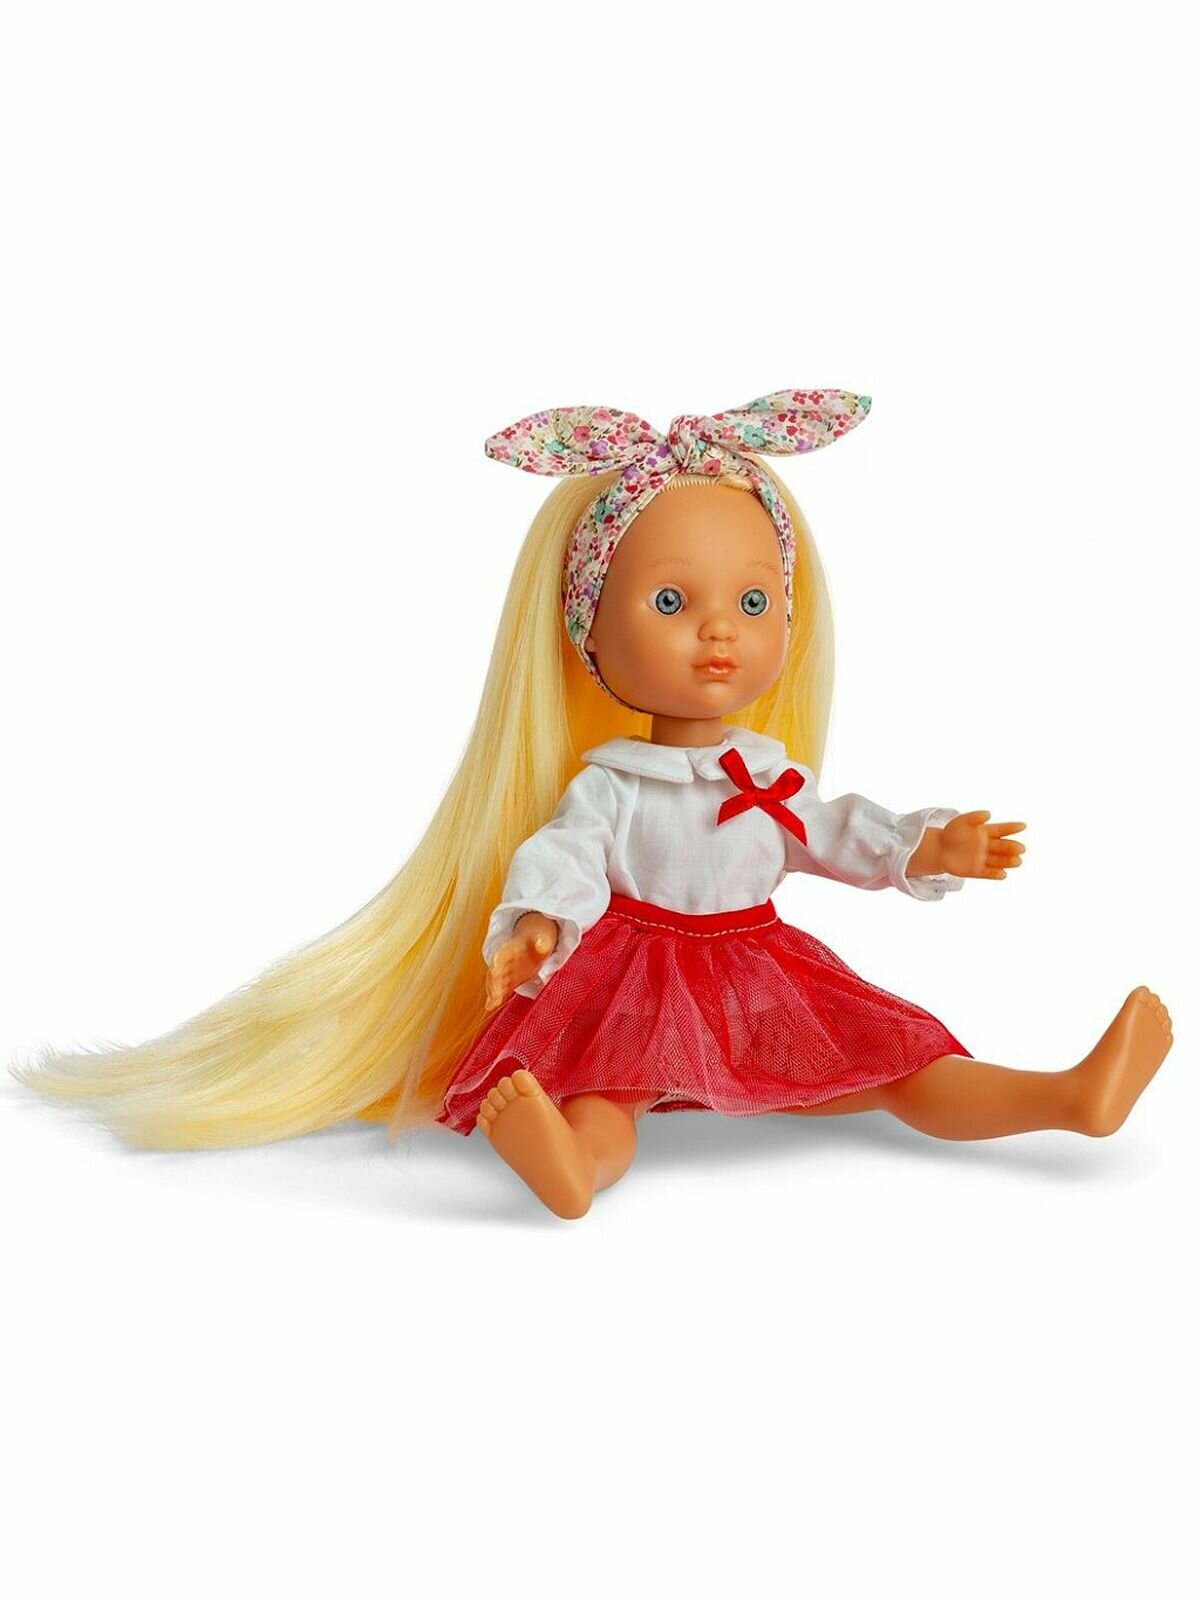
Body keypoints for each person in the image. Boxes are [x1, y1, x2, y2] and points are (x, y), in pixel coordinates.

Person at [15, 391, 1172, 1219]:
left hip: (761, 964)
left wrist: (927, 843)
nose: (719, 632)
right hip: (637, 971)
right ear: (588, 634)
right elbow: (565, 857)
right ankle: (568, 1162)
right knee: (611, 1091)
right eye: (671, 601)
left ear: (789, 615)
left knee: (903, 1061)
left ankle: (1070, 1097)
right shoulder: (613, 783)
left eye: (753, 600)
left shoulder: (765, 773)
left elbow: (835, 832)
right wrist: (536, 925)